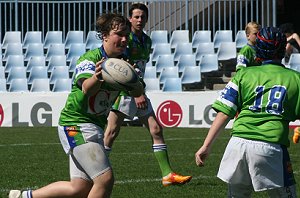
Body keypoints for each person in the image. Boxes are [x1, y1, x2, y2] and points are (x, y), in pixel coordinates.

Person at [9, 13, 142, 198]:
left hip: (94, 125)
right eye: (118, 34)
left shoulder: (124, 64)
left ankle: (23, 197)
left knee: (79, 189)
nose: (124, 39)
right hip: (75, 124)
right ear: (105, 36)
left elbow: (137, 94)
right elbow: (86, 88)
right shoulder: (90, 59)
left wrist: (134, 82)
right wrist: (97, 76)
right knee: (104, 180)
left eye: (127, 35)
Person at [195, 27, 299, 197]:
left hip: (237, 145)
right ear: (282, 50)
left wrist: (206, 145)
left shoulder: (243, 75)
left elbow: (224, 113)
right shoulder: (295, 79)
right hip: (270, 146)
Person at [103, 3, 192, 186]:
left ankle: (167, 175)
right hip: (126, 92)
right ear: (130, 19)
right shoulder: (125, 40)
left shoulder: (147, 40)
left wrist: (139, 90)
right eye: (136, 17)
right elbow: (122, 68)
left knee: (156, 129)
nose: (140, 20)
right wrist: (136, 93)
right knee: (111, 132)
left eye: (142, 17)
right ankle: (95, 171)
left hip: (138, 90)